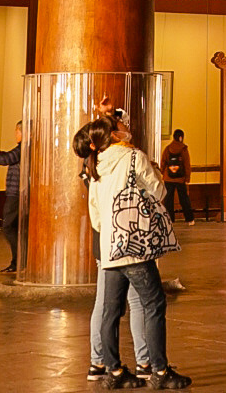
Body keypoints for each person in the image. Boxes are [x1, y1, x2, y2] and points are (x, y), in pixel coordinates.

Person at [85, 116, 191, 390]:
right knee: (154, 304)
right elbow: (159, 190)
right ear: (114, 134)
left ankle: (114, 371)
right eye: (121, 126)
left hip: (109, 246)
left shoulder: (96, 164)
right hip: (134, 246)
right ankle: (158, 370)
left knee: (111, 311)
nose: (127, 128)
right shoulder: (133, 157)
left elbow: (94, 213)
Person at [73, 122, 152, 384]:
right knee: (137, 301)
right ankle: (143, 361)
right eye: (116, 129)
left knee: (105, 305)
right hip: (125, 241)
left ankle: (99, 362)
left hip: (104, 243)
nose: (123, 132)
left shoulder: (94, 166)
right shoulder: (119, 161)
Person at [0, 120, 22, 273]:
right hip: (18, 193)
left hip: (15, 193)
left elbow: (5, 159)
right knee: (14, 227)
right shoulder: (25, 149)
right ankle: (19, 260)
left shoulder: (22, 149)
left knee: (8, 226)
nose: (15, 134)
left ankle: (18, 261)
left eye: (17, 131)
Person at [160, 130, 195, 226]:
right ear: (181, 137)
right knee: (184, 199)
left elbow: (163, 162)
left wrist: (163, 173)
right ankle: (189, 219)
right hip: (180, 178)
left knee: (168, 199)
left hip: (168, 178)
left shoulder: (168, 149)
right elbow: (187, 164)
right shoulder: (183, 149)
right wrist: (187, 178)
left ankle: (170, 219)